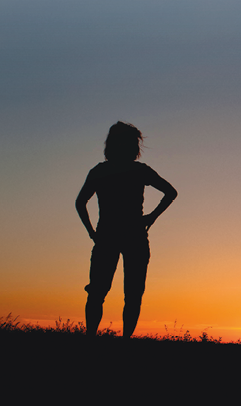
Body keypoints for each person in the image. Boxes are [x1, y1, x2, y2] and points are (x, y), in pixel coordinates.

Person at [76, 122, 177, 338]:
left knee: (99, 292)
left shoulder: (101, 171)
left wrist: (91, 232)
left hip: (110, 235)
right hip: (132, 236)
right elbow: (170, 192)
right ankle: (122, 341)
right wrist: (151, 217)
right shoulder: (138, 171)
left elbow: (80, 203)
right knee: (130, 294)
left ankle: (91, 337)